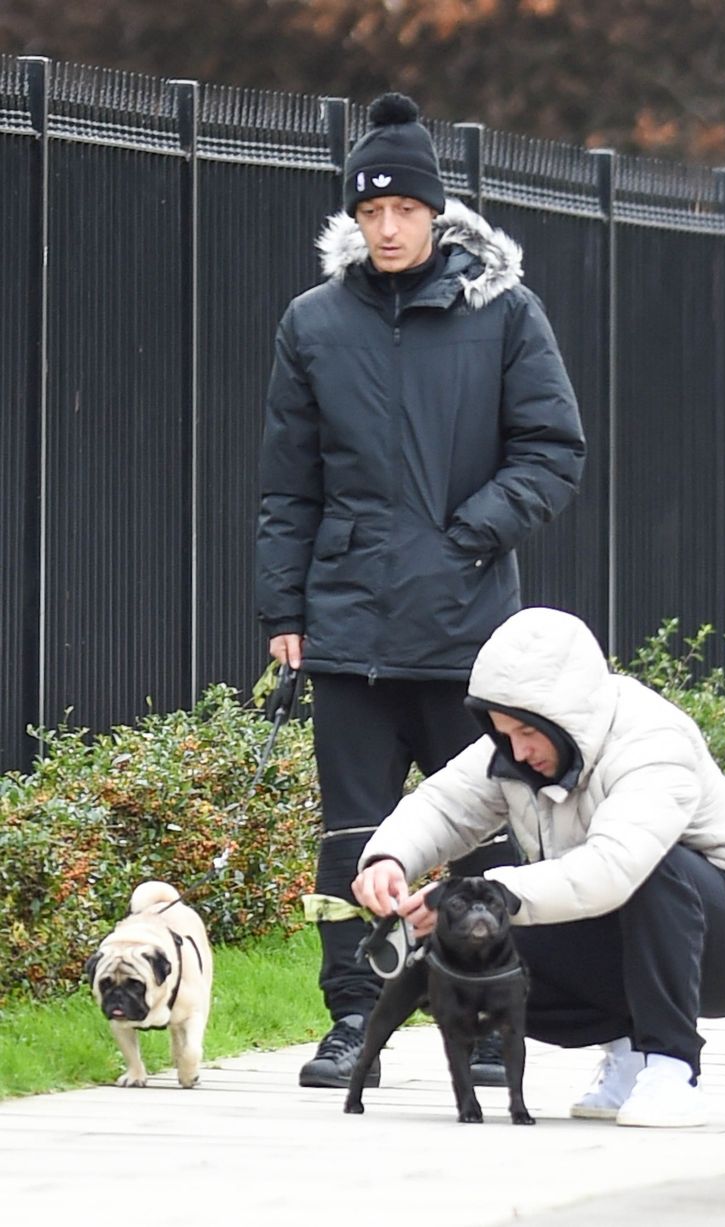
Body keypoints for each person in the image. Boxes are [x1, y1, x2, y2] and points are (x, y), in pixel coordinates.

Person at [255, 93, 585, 1088]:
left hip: (468, 636)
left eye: (404, 210)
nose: (388, 228)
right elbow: (287, 482)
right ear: (353, 221)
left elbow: (551, 450)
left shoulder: (505, 313)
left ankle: (483, 1024)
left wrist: (466, 535)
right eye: (370, 214)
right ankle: (352, 1021)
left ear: (436, 214)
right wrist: (282, 612)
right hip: (347, 631)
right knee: (349, 840)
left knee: (478, 835)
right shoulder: (311, 324)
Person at [352, 606, 725, 1127]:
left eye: (527, 731)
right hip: (633, 929)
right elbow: (443, 805)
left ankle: (671, 1070)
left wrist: (496, 891)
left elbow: (614, 868)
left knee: (652, 870)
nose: (518, 750)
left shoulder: (653, 741)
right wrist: (389, 857)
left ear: (565, 713)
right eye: (503, 733)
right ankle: (627, 1056)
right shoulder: (516, 745)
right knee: (472, 945)